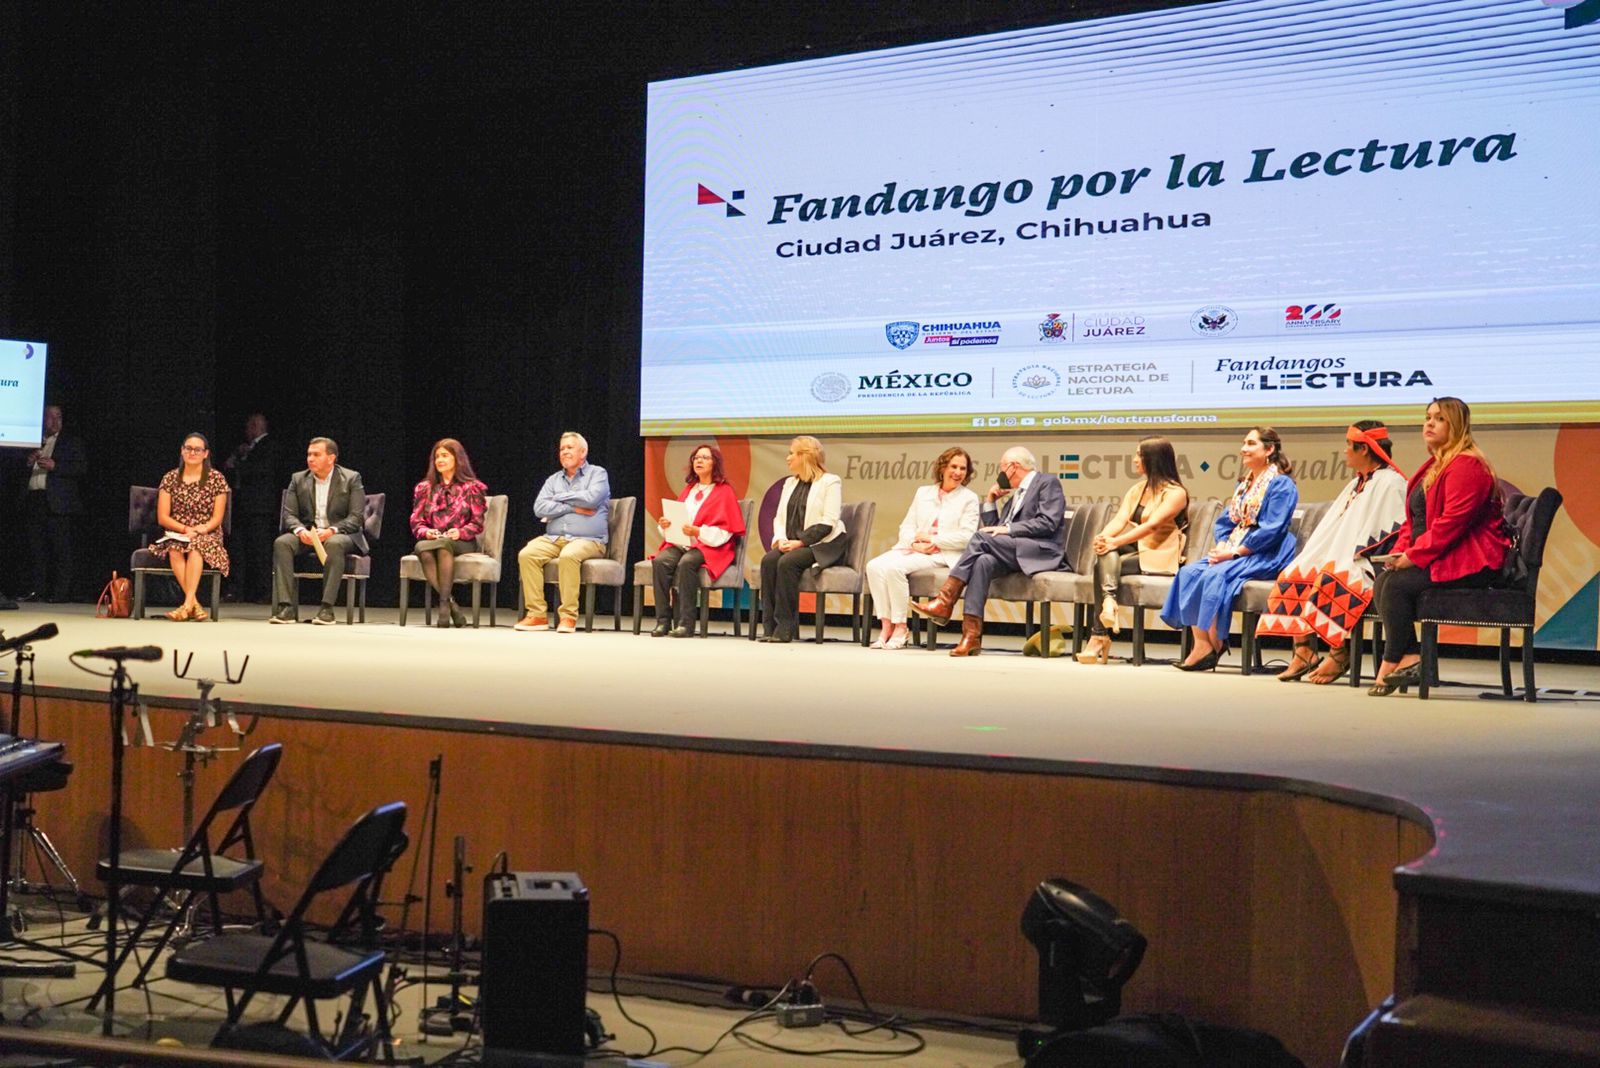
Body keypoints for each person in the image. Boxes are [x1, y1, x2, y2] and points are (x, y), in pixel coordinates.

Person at [1369, 398, 1509, 697]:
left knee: (1396, 586)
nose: (1429, 423)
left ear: (1456, 425)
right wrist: (1401, 552)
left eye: (1440, 418)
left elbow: (1451, 524)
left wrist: (1413, 557)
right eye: (1427, 417)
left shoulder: (1468, 465)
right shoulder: (1436, 465)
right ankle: (1410, 657)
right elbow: (1414, 522)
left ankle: (1392, 661)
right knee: (1384, 579)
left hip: (1472, 561)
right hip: (1440, 555)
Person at [1257, 421, 1407, 684]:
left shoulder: (1391, 483)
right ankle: (1304, 651)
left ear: (1364, 449)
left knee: (1331, 578)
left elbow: (1392, 530)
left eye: (1349, 445)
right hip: (1342, 554)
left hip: (1369, 560)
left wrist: (1353, 555)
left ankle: (1338, 653)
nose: (1345, 450)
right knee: (1295, 573)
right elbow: (1333, 529)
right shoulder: (1356, 483)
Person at [911, 446, 1067, 657]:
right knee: (982, 561)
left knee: (979, 537)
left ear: (1013, 467)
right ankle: (971, 637)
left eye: (1002, 468)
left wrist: (1009, 528)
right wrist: (991, 502)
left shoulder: (1047, 482)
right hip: (1015, 550)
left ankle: (945, 601)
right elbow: (995, 530)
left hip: (1040, 551)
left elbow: (1048, 522)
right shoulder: (1015, 496)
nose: (1001, 474)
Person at [1163, 427, 1298, 671]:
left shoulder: (1281, 485)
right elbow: (1226, 522)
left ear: (1269, 449)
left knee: (1214, 574)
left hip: (1265, 551)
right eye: (1243, 443)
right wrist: (1223, 544)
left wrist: (1235, 553)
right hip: (1235, 547)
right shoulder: (1245, 484)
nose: (1243, 449)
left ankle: (1214, 642)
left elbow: (1273, 529)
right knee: (1189, 573)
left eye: (1251, 443)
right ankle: (1202, 644)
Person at [1079, 437, 1189, 665]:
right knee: (1104, 554)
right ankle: (1108, 606)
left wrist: (1115, 543)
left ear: (1153, 459)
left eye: (1139, 455)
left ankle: (1099, 634)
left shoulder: (1176, 493)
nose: (1135, 460)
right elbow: (1120, 519)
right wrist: (1104, 538)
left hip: (1160, 552)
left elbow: (1153, 526)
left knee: (1103, 564)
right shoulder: (1138, 489)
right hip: (1138, 547)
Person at [864, 447, 979, 650]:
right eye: (953, 466)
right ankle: (886, 626)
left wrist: (934, 541)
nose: (958, 472)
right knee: (873, 566)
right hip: (914, 548)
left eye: (963, 468)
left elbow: (967, 536)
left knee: (894, 569)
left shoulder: (969, 498)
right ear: (942, 468)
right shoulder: (923, 492)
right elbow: (907, 526)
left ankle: (901, 627)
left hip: (943, 553)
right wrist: (913, 543)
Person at [516, 432, 610, 635]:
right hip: (554, 537)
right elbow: (539, 508)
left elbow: (592, 499)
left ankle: (568, 616)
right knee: (527, 554)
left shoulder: (598, 474)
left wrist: (559, 498)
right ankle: (537, 614)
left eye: (569, 447)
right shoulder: (553, 480)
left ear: (583, 452)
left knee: (569, 555)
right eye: (562, 449)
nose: (564, 452)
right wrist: (573, 507)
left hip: (589, 540)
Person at [650, 444, 746, 638]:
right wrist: (666, 524)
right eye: (696, 458)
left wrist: (698, 531)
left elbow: (726, 531)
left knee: (687, 563)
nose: (699, 461)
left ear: (714, 463)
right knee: (660, 561)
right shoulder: (689, 490)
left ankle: (686, 624)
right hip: (684, 542)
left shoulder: (724, 491)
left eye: (705, 457)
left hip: (712, 546)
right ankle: (663, 621)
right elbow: (679, 519)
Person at [271, 437, 368, 625]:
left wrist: (332, 530)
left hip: (341, 535)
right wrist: (300, 531)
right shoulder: (298, 479)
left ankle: (326, 608)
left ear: (331, 458)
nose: (310, 459)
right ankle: (286, 607)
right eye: (309, 454)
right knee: (282, 543)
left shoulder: (351, 478)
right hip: (310, 534)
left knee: (334, 543)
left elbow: (356, 517)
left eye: (316, 455)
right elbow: (289, 514)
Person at [757, 435, 846, 643]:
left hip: (822, 544)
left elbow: (829, 521)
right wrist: (781, 539)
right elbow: (779, 518)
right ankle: (770, 627)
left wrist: (800, 542)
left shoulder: (830, 482)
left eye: (792, 454)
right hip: (792, 542)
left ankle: (785, 627)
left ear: (805, 456)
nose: (787, 458)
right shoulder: (790, 483)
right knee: (769, 560)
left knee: (787, 562)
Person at [146, 433, 231, 621]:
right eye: (188, 448)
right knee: (174, 548)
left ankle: (187, 605)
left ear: (205, 454)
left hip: (207, 533)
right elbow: (163, 517)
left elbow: (217, 517)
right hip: (178, 532)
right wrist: (185, 530)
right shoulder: (170, 478)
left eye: (197, 449)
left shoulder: (216, 478)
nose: (192, 453)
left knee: (196, 546)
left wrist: (202, 529)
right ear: (182, 451)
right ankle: (194, 604)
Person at [410, 438, 488, 629]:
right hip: (434, 540)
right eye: (437, 457)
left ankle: (444, 605)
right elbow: (416, 521)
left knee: (442, 546)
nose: (440, 460)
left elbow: (478, 523)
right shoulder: (425, 488)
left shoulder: (472, 487)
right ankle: (449, 603)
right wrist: (427, 532)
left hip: (463, 541)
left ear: (457, 458)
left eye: (445, 455)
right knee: (424, 547)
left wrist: (460, 532)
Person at [22, 405, 88, 602]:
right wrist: (28, 463)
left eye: (58, 417)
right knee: (36, 549)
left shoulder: (71, 442)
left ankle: (60, 593)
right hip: (34, 500)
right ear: (43, 420)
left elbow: (82, 468)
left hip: (58, 503)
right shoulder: (33, 441)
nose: (55, 421)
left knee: (61, 550)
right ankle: (38, 591)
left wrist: (55, 465)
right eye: (51, 417)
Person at [221, 412, 287, 603]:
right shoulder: (246, 448)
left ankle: (265, 592)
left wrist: (238, 464)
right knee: (239, 549)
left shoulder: (270, 446)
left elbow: (262, 471)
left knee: (261, 550)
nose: (247, 430)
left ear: (256, 427)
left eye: (250, 426)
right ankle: (239, 590)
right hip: (243, 506)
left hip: (260, 507)